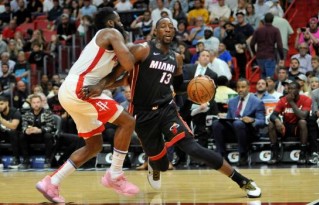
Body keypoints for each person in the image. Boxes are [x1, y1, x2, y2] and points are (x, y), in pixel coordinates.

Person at [82, 17, 261, 198]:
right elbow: (118, 74)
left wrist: (198, 85)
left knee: (193, 148)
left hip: (167, 110)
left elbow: (177, 87)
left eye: (171, 27)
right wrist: (101, 85)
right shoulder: (142, 50)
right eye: (163, 26)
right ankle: (154, 164)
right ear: (155, 31)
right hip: (142, 115)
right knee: (161, 165)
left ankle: (242, 180)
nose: (168, 29)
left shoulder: (177, 58)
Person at [35, 7, 139, 203]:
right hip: (79, 88)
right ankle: (115, 175)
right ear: (110, 23)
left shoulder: (108, 46)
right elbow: (130, 64)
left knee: (94, 146)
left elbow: (120, 79)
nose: (122, 24)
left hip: (71, 90)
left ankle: (52, 182)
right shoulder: (111, 33)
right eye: (119, 20)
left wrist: (104, 83)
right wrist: (136, 52)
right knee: (128, 122)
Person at [212, 79, 266, 166]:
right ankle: (221, 155)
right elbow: (229, 119)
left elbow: (262, 122)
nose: (240, 89)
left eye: (243, 87)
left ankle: (243, 155)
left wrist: (252, 120)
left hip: (248, 132)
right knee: (216, 123)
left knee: (238, 123)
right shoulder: (232, 101)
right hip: (234, 130)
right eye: (238, 87)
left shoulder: (257, 102)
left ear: (248, 88)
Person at [268, 81, 311, 165]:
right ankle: (275, 154)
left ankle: (302, 154)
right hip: (285, 127)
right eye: (289, 89)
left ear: (299, 90)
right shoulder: (283, 100)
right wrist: (277, 120)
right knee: (271, 124)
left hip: (298, 128)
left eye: (293, 89)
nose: (290, 91)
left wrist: (291, 102)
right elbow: (273, 115)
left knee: (302, 122)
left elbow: (303, 116)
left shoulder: (306, 99)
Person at [0, 95, 21, 168]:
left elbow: (13, 126)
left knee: (12, 132)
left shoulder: (15, 112)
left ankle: (16, 159)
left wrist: (1, 119)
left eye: (1, 104)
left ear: (7, 103)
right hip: (3, 134)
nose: (0, 106)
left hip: (16, 135)